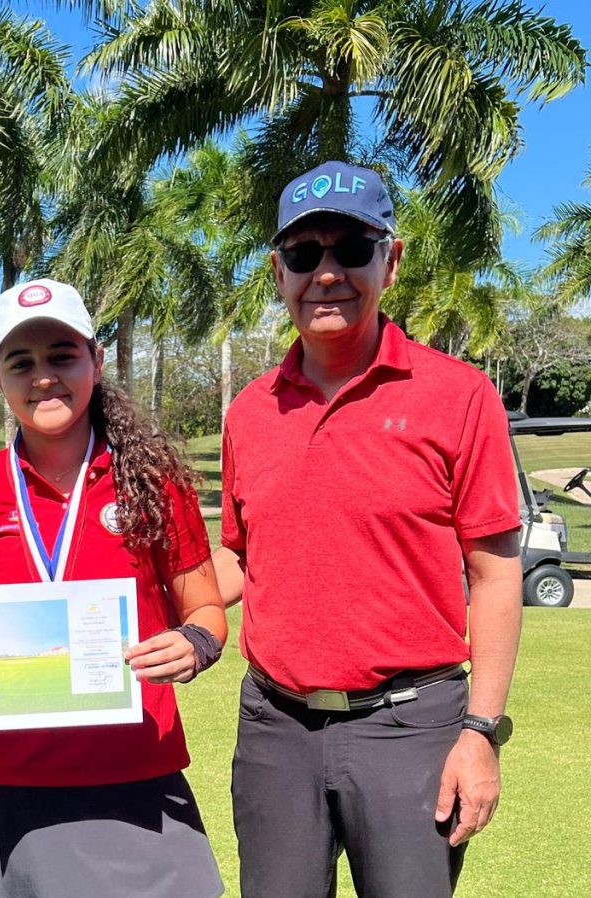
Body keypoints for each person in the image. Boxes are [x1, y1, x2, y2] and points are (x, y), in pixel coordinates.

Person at [213, 161, 522, 898]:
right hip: (275, 730)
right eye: (303, 254)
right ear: (278, 270)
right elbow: (238, 558)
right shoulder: (250, 412)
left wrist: (480, 733)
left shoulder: (459, 396)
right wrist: (144, 607)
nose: (327, 273)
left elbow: (496, 573)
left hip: (411, 727)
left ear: (392, 258)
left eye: (352, 249)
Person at [0, 278, 228, 898]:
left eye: (62, 355)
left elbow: (207, 609)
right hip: (8, 783)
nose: (44, 377)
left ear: (96, 359)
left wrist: (194, 643)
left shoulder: (155, 481)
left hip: (138, 770)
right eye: (21, 362)